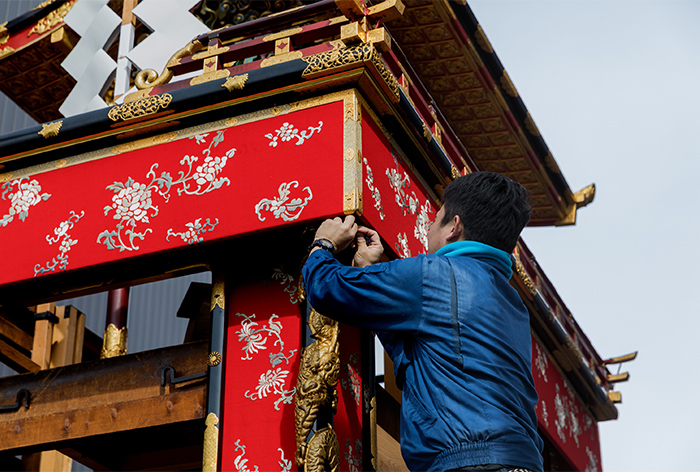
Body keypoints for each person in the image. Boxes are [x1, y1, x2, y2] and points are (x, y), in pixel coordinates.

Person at [302, 171, 543, 472]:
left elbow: (327, 288)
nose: (429, 228)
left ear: (454, 227)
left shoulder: (433, 274)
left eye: (435, 218)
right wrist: (371, 271)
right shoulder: (513, 305)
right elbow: (425, 358)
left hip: (468, 463)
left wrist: (323, 244)